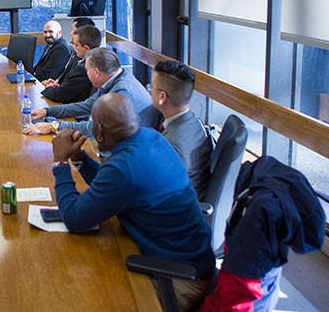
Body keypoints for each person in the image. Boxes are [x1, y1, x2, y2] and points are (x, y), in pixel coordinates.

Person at [50, 94, 215, 310]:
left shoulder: (124, 168)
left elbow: (73, 218)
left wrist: (60, 163)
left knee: (77, 289)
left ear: (98, 132)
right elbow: (112, 185)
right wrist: (80, 157)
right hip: (195, 260)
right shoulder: (150, 137)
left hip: (178, 279)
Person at [25, 47, 157, 140]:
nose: (86, 74)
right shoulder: (114, 79)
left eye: (87, 70)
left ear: (96, 72)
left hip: (128, 147)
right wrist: (48, 111)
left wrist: (55, 126)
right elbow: (87, 106)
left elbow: (97, 128)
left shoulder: (123, 92)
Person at [151, 60, 213, 199]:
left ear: (162, 96)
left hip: (177, 210)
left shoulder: (174, 143)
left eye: (152, 87)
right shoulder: (192, 120)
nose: (149, 90)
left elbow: (159, 191)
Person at [40, 25, 96, 104]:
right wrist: (57, 85)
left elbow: (59, 96)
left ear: (86, 48)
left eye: (77, 45)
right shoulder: (82, 62)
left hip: (71, 110)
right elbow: (69, 89)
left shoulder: (83, 69)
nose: (74, 47)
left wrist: (48, 88)